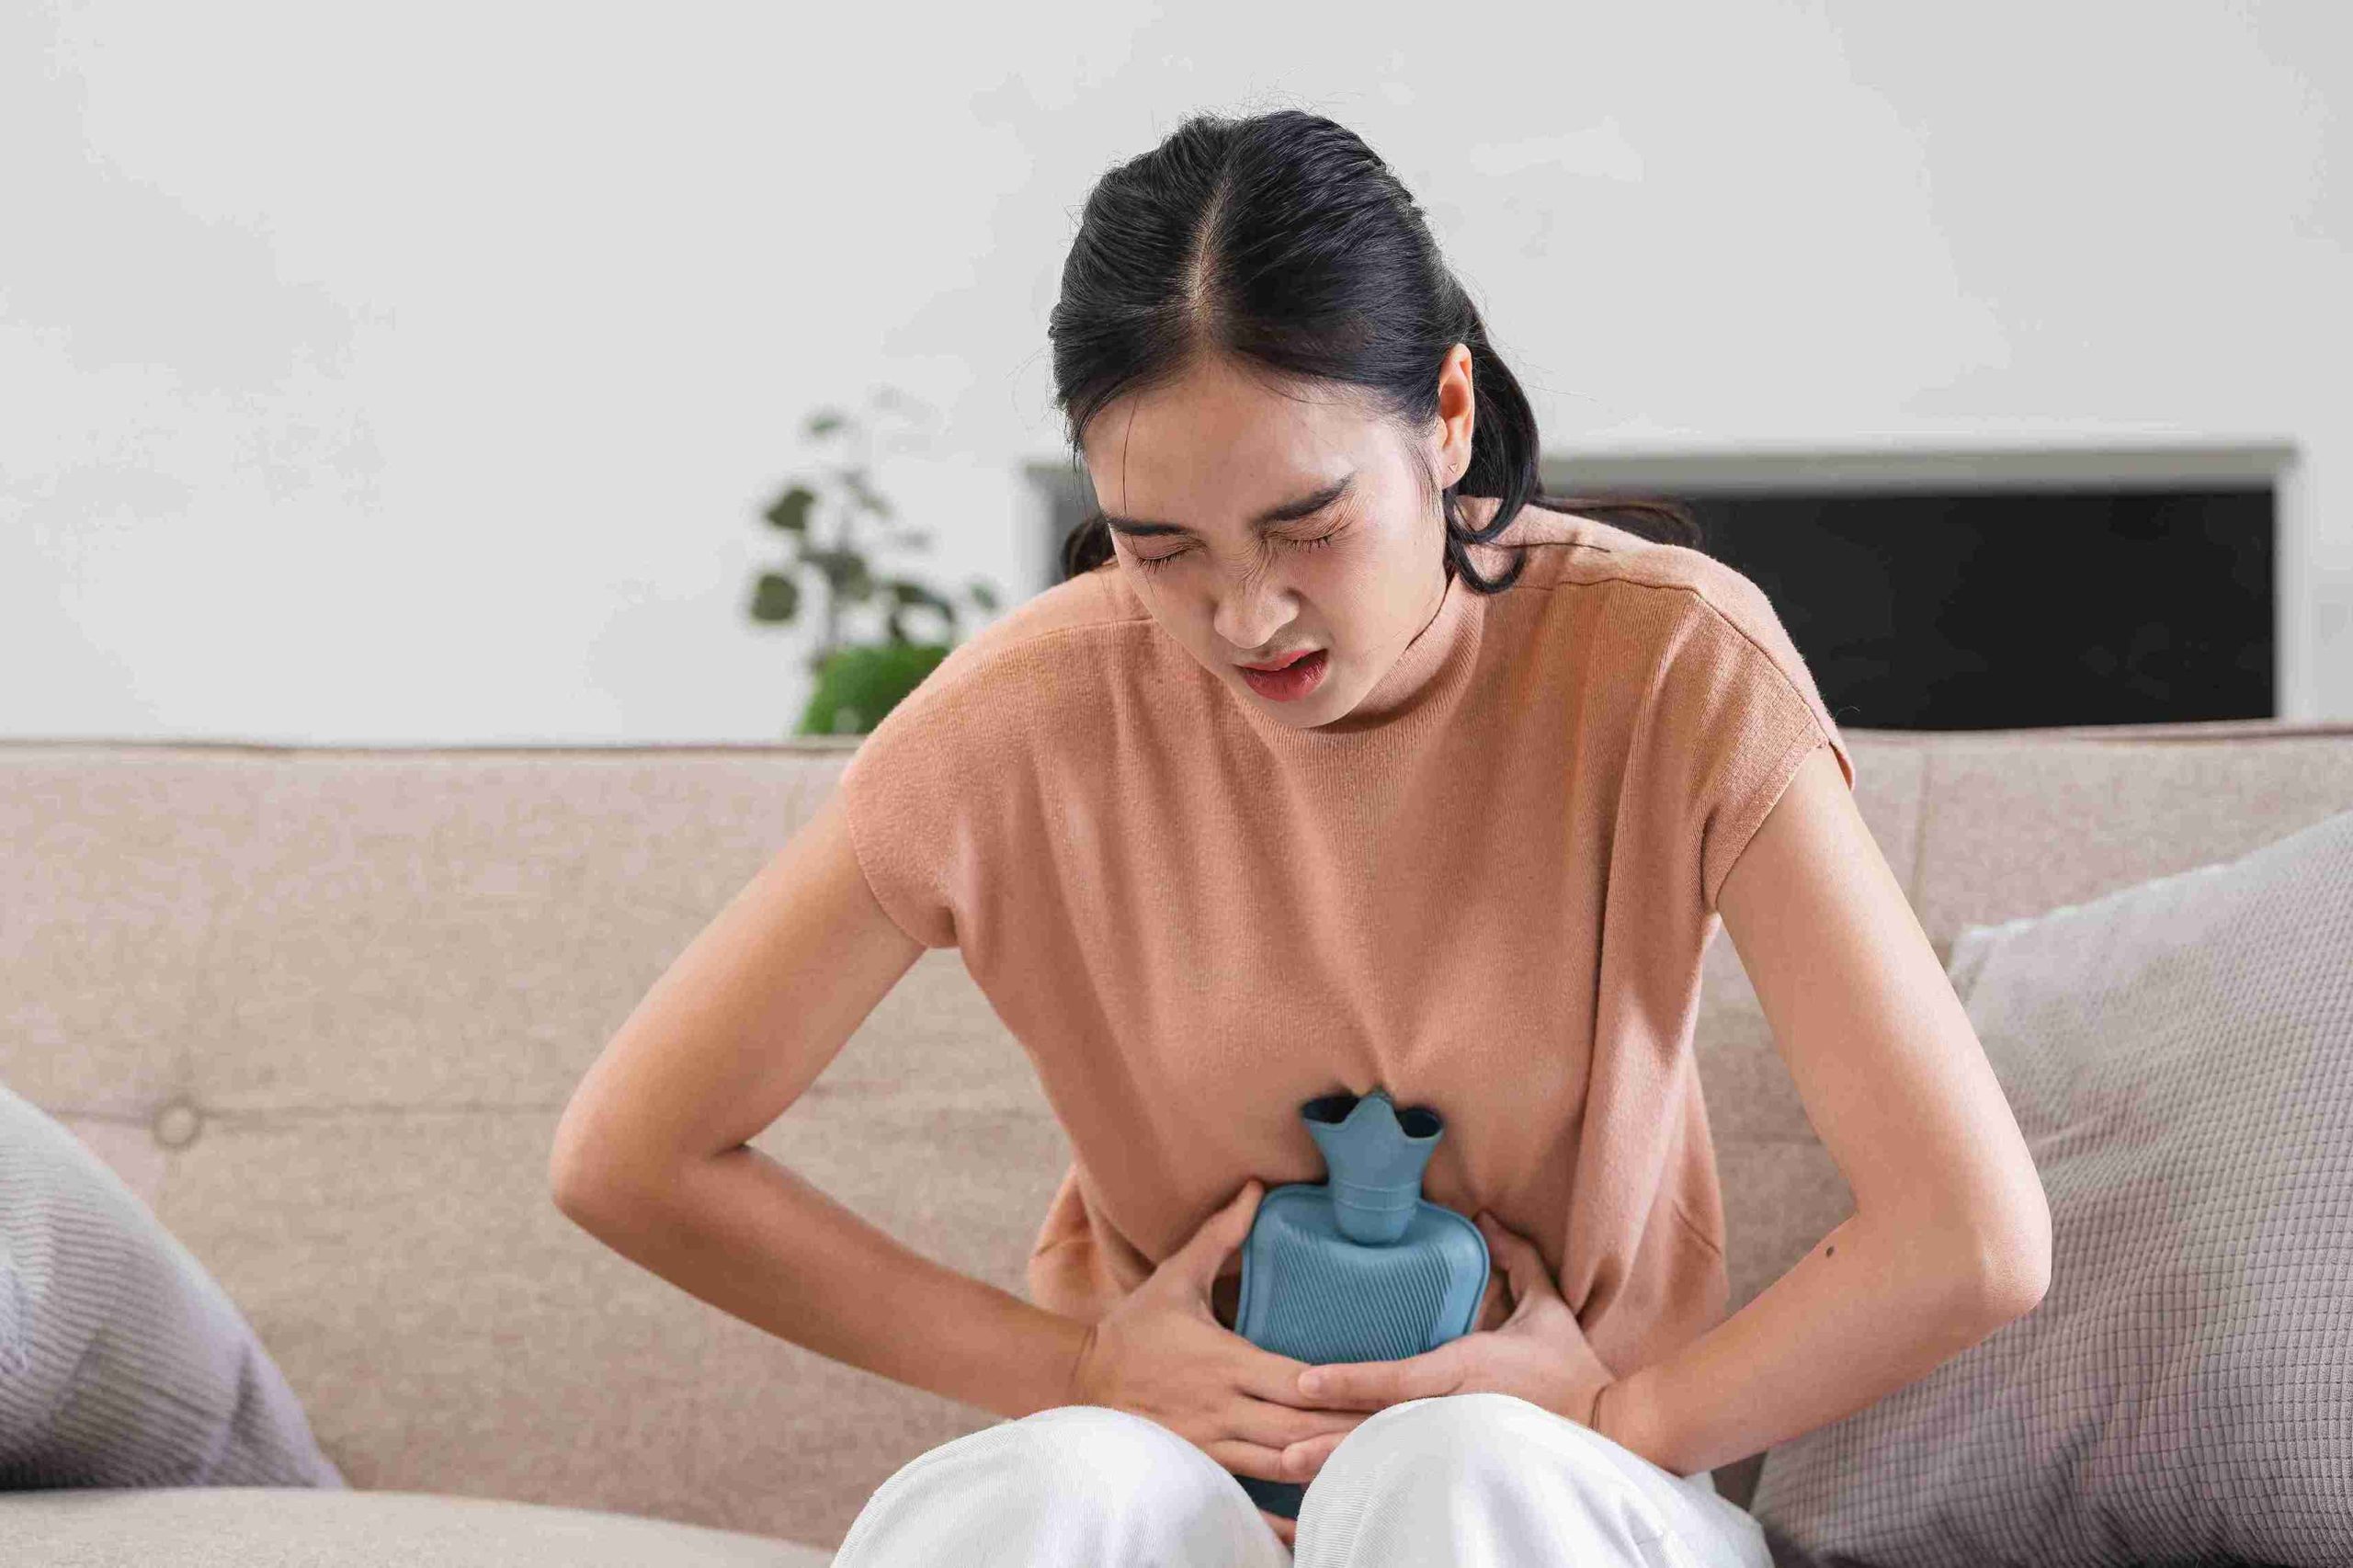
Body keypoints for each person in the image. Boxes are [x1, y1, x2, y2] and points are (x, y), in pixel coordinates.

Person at [555, 106, 2046, 1566]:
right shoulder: (1019, 721)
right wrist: (1074, 1368)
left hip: (1555, 1494)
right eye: (1163, 551)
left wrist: (1624, 1406)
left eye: (1307, 526)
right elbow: (632, 1153)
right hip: (1184, 1482)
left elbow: (1970, 1232)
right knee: (1046, 1498)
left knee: (1449, 1474)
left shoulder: (1670, 666)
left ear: (1447, 417)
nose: (1245, 617)